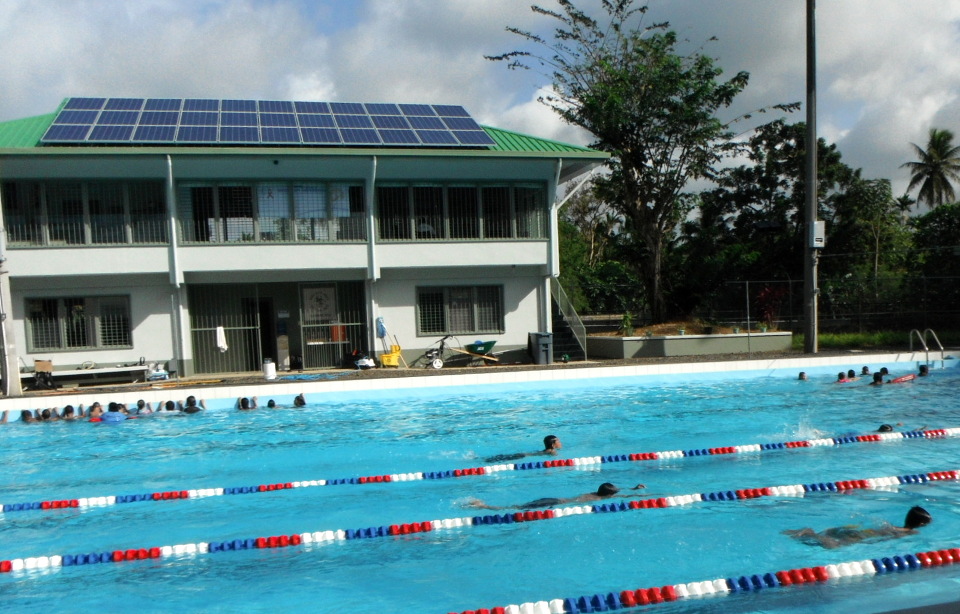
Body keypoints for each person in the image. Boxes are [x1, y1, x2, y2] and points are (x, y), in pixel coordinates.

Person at [783, 506, 931, 549]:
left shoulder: (894, 526)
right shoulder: (911, 533)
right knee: (834, 546)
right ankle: (809, 532)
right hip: (863, 536)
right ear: (922, 524)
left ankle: (809, 534)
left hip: (861, 530)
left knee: (825, 541)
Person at [466, 482, 646, 511]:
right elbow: (623, 495)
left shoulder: (597, 493)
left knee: (520, 506)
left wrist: (634, 488)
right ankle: (484, 506)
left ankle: (484, 505)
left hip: (555, 498)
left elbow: (620, 491)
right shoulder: (599, 499)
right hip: (553, 502)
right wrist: (635, 492)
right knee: (519, 508)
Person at [484, 435, 562, 463]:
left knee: (499, 458)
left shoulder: (546, 451)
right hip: (522, 456)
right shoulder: (552, 452)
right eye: (558, 441)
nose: (560, 443)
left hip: (523, 455)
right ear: (553, 444)